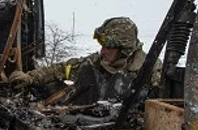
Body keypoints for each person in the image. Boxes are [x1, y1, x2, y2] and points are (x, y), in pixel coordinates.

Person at [9, 17, 160, 105]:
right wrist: (30, 77)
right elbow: (62, 69)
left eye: (107, 47)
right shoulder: (97, 63)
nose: (102, 51)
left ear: (124, 49)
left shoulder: (150, 70)